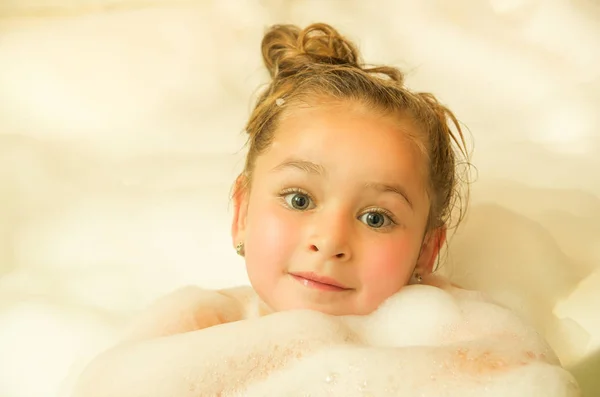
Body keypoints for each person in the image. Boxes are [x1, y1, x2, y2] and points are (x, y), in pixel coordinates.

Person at [71, 22, 476, 395]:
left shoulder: (459, 346)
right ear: (242, 213)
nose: (330, 241)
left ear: (426, 250)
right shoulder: (190, 336)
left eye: (375, 218)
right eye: (300, 200)